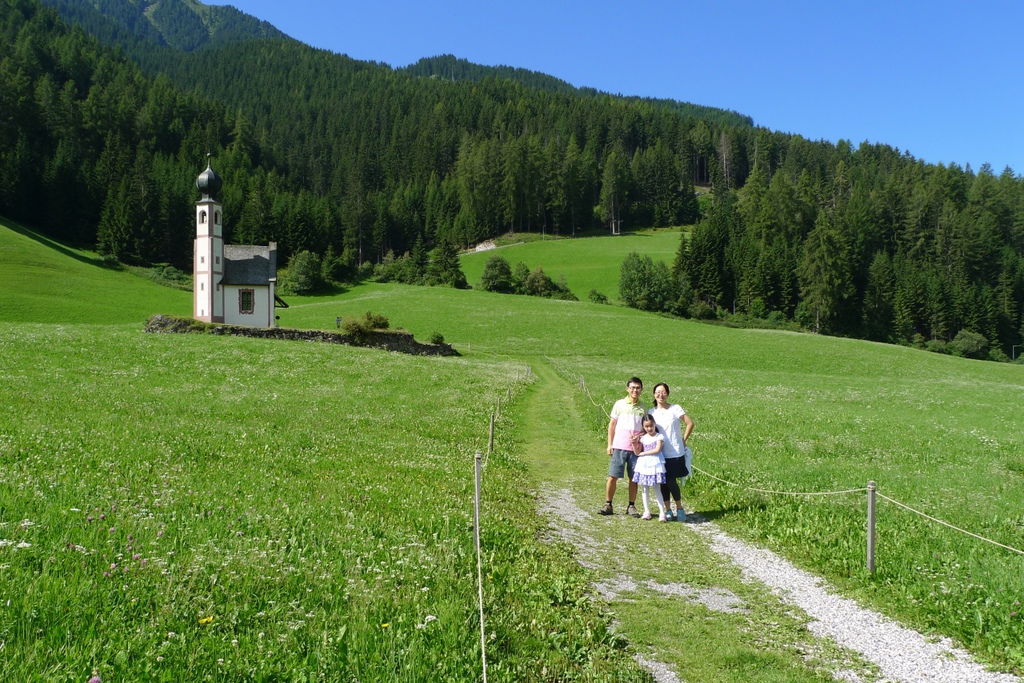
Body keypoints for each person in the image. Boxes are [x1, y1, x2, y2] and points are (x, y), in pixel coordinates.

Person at [599, 377, 647, 517]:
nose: (635, 390)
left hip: (636, 449)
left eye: (638, 388)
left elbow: (646, 428)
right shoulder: (619, 404)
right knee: (613, 476)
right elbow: (612, 425)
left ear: (641, 390)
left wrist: (639, 436)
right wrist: (610, 444)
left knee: (634, 478)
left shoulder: (644, 408)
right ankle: (608, 504)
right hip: (619, 446)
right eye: (632, 387)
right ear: (627, 388)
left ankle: (631, 506)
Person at [649, 382, 694, 521]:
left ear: (668, 394)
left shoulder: (675, 408)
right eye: (658, 392)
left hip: (675, 452)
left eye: (663, 392)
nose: (660, 395)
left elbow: (690, 423)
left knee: (671, 480)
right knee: (663, 482)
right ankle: (668, 510)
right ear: (654, 394)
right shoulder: (651, 412)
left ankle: (679, 508)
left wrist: (683, 440)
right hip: (659, 452)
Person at [631, 414, 667, 521]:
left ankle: (662, 512)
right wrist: (634, 443)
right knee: (644, 488)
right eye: (646, 426)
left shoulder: (659, 437)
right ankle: (646, 511)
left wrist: (644, 453)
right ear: (643, 426)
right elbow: (637, 452)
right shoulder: (643, 438)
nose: (649, 428)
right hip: (644, 465)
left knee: (656, 488)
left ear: (654, 424)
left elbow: (657, 450)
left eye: (651, 426)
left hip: (655, 464)